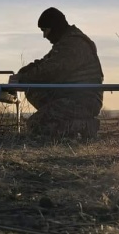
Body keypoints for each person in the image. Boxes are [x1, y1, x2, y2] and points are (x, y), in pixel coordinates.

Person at [9, 7, 104, 140]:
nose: (45, 36)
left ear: (54, 27)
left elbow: (51, 71)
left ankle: (84, 126)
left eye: (45, 30)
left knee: (36, 126)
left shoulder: (74, 44)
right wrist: (23, 72)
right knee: (33, 90)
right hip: (70, 96)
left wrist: (23, 79)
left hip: (83, 100)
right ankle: (72, 125)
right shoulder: (67, 42)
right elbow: (45, 62)